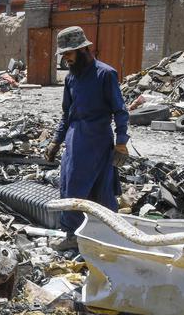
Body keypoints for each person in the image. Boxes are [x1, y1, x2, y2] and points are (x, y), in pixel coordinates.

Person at [46, 26, 130, 250]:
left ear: (83, 49)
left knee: (102, 190)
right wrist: (56, 140)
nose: (66, 59)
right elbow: (67, 113)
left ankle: (108, 234)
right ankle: (73, 235)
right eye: (63, 55)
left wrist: (121, 143)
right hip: (76, 140)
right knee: (71, 187)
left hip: (99, 140)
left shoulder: (105, 74)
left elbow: (120, 111)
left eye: (69, 54)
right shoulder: (70, 79)